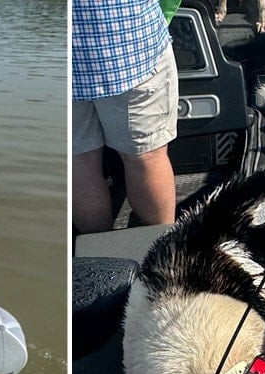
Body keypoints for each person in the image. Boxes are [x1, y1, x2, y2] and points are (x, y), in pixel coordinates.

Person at [72, 0, 179, 234]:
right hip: (127, 44)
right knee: (145, 156)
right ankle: (159, 247)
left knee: (79, 162)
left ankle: (98, 256)